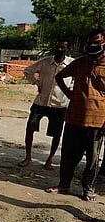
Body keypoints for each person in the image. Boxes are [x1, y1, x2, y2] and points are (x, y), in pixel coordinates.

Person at [46, 28, 105, 201]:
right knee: (68, 155)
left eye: (96, 42)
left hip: (97, 121)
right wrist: (69, 94)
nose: (92, 45)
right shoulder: (80, 62)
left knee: (92, 159)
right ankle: (64, 185)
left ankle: (88, 189)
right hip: (74, 117)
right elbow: (60, 76)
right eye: (90, 42)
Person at [19, 39, 74, 170]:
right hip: (41, 102)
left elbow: (76, 80)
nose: (60, 49)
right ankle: (28, 157)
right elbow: (28, 71)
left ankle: (50, 160)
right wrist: (36, 83)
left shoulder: (72, 64)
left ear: (68, 49)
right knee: (30, 128)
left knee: (56, 134)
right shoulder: (45, 62)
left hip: (59, 105)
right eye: (58, 47)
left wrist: (70, 90)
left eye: (63, 47)